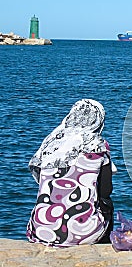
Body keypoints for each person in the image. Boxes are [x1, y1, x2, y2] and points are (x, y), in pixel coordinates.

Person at [27, 99, 116, 247]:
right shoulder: (97, 145)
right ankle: (102, 243)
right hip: (83, 232)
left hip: (42, 229)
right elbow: (106, 190)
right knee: (107, 204)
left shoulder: (51, 143)